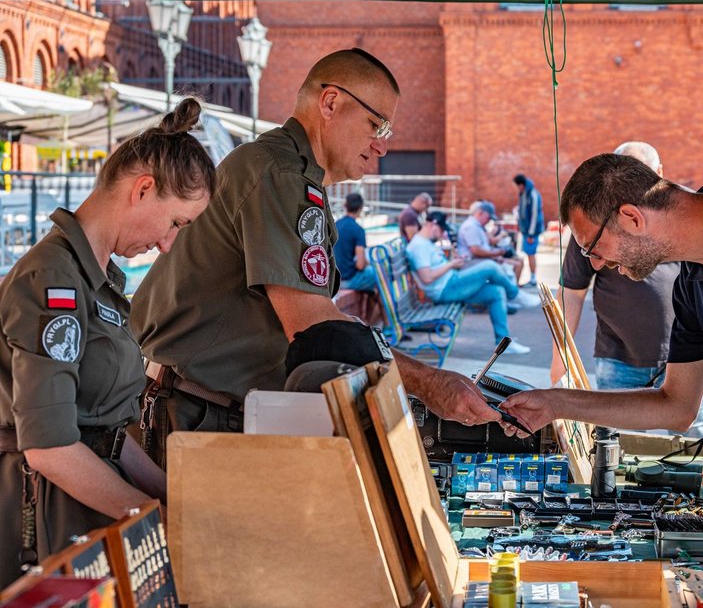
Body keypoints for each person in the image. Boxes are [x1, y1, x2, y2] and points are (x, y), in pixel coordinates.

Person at [131, 49, 499, 469]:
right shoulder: (279, 174)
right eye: (376, 124)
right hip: (193, 414)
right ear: (330, 102)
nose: (381, 145)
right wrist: (429, 383)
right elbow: (312, 325)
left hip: (205, 409)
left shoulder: (293, 174)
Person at [499, 153, 703, 601]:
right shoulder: (691, 282)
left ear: (631, 217)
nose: (596, 265)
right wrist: (556, 403)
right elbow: (677, 406)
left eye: (592, 248)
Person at [0, 98, 215, 587]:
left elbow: (109, 432)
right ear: (143, 189)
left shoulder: (97, 281)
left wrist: (178, 501)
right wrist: (154, 518)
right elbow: (51, 448)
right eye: (175, 223)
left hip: (88, 506)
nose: (167, 245)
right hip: (48, 520)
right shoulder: (53, 281)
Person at [550, 141, 703, 437]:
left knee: (695, 445)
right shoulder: (595, 225)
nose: (598, 263)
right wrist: (560, 365)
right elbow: (571, 292)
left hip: (686, 359)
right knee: (616, 447)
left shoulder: (693, 228)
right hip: (619, 357)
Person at [406, 212, 537, 355]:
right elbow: (427, 277)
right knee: (489, 267)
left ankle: (503, 342)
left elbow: (435, 269)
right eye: (441, 230)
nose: (442, 234)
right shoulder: (419, 246)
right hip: (445, 289)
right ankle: (516, 294)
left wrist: (454, 262)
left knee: (496, 292)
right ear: (432, 225)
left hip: (451, 283)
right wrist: (451, 265)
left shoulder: (425, 243)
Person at [457, 200, 524, 282]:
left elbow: (484, 245)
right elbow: (476, 251)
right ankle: (511, 288)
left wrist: (496, 255)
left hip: (483, 259)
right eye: (488, 218)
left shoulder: (478, 226)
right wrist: (496, 253)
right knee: (512, 265)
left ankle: (512, 287)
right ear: (480, 213)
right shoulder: (471, 226)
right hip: (474, 262)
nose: (489, 221)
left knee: (516, 262)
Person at [334, 192, 376, 292]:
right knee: (377, 273)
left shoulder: (335, 225)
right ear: (360, 208)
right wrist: (367, 263)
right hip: (348, 280)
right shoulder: (358, 230)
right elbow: (360, 265)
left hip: (332, 280)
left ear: (345, 206)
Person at [513, 174, 544, 286]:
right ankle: (531, 277)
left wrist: (531, 234)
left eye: (517, 186)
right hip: (526, 230)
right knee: (528, 253)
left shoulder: (533, 194)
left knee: (531, 254)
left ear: (521, 185)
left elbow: (535, 215)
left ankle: (533, 279)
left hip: (532, 231)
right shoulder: (524, 193)